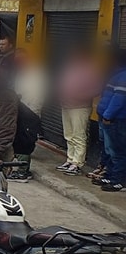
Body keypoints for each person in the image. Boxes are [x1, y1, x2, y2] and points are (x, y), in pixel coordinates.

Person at [57, 46, 103, 176]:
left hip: (80, 107)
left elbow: (97, 89)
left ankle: (77, 163)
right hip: (66, 105)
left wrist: (81, 96)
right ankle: (70, 159)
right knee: (68, 134)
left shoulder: (90, 70)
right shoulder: (70, 68)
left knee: (78, 135)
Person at [8, 48, 46, 182]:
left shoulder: (35, 73)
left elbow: (36, 95)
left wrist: (31, 111)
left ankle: (23, 171)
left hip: (30, 110)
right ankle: (20, 167)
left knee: (25, 140)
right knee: (18, 139)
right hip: (20, 108)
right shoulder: (21, 73)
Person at [95, 48, 126, 192]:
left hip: (116, 120)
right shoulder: (116, 75)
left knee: (117, 151)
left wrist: (108, 115)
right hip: (108, 118)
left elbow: (118, 100)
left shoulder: (123, 77)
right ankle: (110, 175)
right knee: (109, 150)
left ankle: (118, 180)